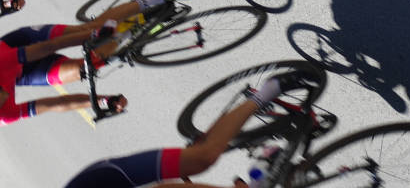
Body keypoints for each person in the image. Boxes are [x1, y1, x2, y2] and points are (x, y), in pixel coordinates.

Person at [0, 0, 192, 126]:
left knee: (93, 29)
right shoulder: (5, 115)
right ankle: (132, 27)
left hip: (20, 45)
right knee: (90, 64)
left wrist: (93, 35)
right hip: (24, 73)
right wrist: (102, 101)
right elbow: (55, 104)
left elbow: (49, 46)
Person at [64, 72, 298, 188]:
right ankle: (263, 170)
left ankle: (266, 92)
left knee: (202, 158)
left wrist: (104, 102)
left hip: (105, 181)